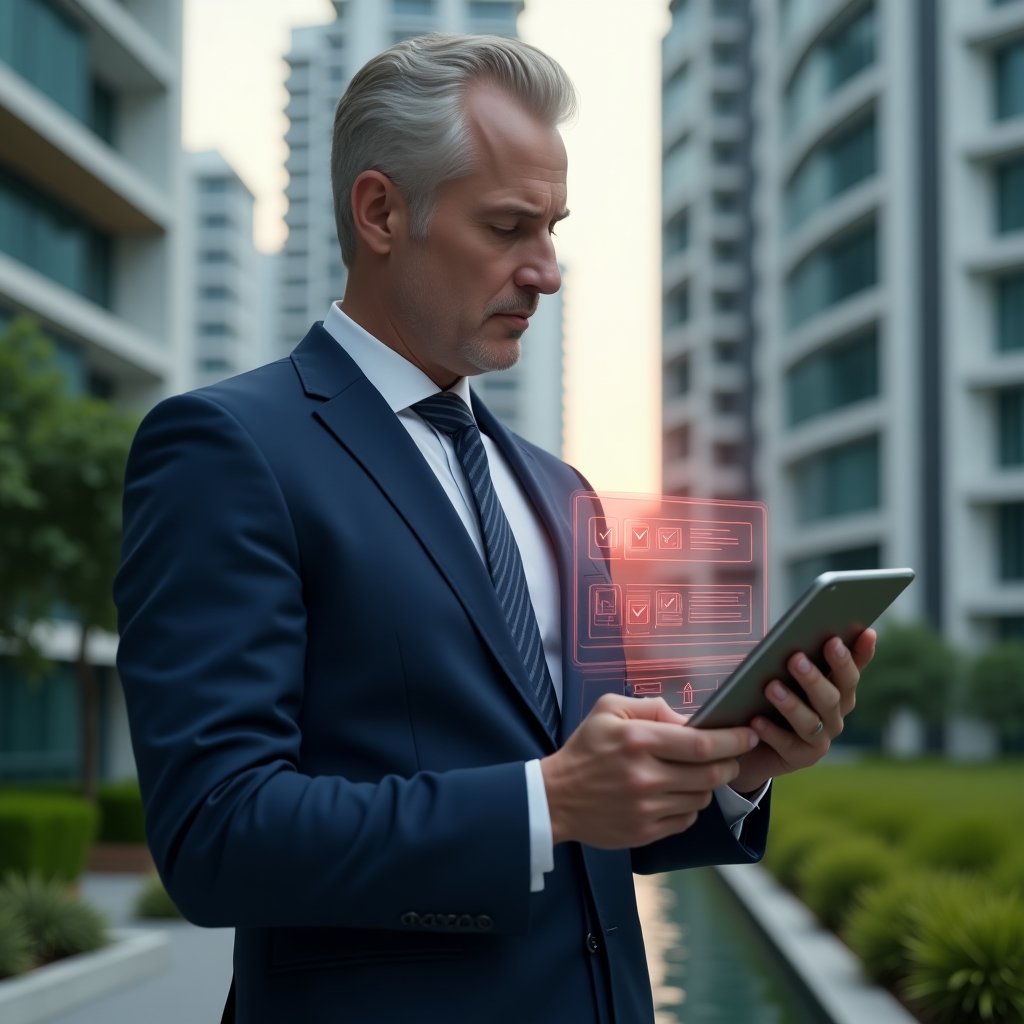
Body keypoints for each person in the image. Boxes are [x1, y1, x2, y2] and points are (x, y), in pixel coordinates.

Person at [114, 34, 875, 1024]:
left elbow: (594, 820)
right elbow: (216, 836)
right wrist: (546, 799)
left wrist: (733, 772)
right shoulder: (226, 449)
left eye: (552, 226)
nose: (547, 271)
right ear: (381, 211)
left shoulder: (560, 492)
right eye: (510, 226)